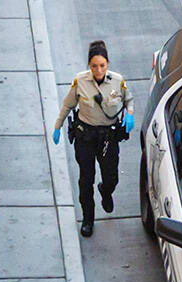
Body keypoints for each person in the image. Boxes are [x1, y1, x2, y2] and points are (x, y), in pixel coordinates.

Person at [52, 40, 134, 238]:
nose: (98, 70)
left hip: (108, 137)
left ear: (107, 64)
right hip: (86, 137)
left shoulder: (117, 81)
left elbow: (128, 99)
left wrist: (130, 114)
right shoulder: (80, 81)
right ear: (89, 65)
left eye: (102, 65)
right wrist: (57, 126)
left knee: (111, 177)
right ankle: (88, 219)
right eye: (94, 66)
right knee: (85, 180)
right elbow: (67, 106)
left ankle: (106, 191)